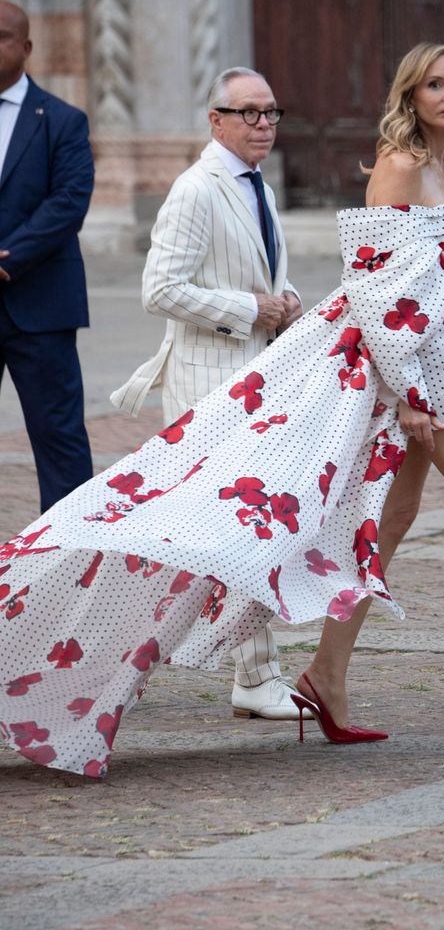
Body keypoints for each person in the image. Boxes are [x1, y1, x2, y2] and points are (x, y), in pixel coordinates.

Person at [0, 43, 444, 779]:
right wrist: (420, 400)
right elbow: (375, 296)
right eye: (435, 85)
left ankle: (325, 679)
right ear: (409, 95)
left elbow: (436, 306)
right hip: (404, 376)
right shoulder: (398, 164)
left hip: (435, 370)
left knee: (388, 518)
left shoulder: (439, 166)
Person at [111, 66, 306, 722]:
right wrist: (248, 308)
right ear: (215, 120)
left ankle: (250, 674)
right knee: (220, 534)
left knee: (232, 534)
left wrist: (286, 302)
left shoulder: (259, 187)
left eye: (271, 112)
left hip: (255, 379)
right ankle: (243, 674)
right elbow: (160, 289)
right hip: (206, 383)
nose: (262, 124)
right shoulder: (196, 188)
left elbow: (265, 275)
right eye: (248, 113)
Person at [0, 0, 94, 513]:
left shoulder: (63, 121)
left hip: (40, 304)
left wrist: (8, 257)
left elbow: (68, 204)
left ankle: (69, 557)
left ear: (26, 47)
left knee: (59, 439)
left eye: (1, 37)